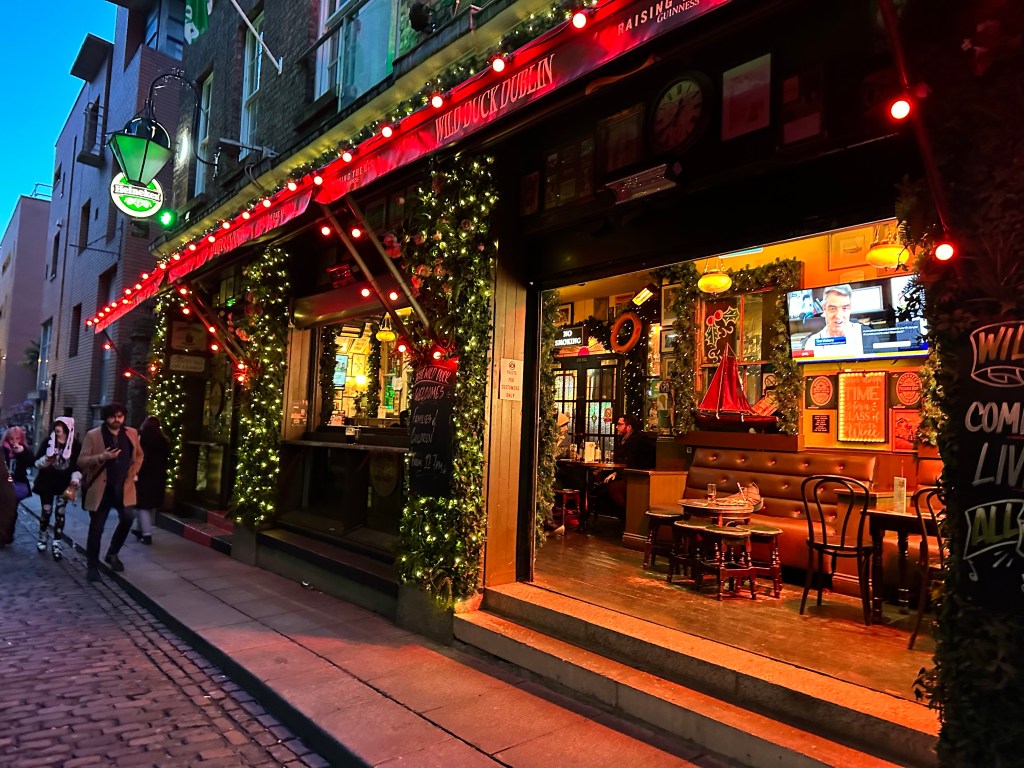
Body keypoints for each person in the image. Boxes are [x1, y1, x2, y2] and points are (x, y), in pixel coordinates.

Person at [78, 403, 144, 582]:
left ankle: (112, 552)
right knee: (96, 528)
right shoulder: (94, 435)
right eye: (113, 416)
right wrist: (102, 457)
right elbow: (81, 461)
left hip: (123, 487)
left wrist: (134, 471)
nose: (117, 420)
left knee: (128, 518)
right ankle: (92, 566)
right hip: (101, 489)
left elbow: (139, 454)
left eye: (120, 416)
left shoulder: (131, 433)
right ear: (105, 417)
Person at [32, 417, 81, 560]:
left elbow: (78, 465)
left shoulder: (74, 445)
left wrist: (75, 478)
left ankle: (57, 542)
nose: (58, 428)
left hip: (65, 484)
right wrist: (46, 460)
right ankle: (42, 536)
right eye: (56, 425)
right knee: (46, 511)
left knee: (60, 512)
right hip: (47, 482)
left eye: (61, 426)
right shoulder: (48, 442)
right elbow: (36, 462)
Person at [599, 414, 656, 519]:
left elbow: (636, 463)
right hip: (626, 474)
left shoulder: (640, 440)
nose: (616, 427)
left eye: (619, 424)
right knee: (602, 482)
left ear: (628, 427)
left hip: (638, 478)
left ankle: (628, 517)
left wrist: (617, 473)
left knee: (614, 487)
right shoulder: (624, 439)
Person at [132, 416, 169, 546]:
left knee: (142, 505)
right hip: (158, 477)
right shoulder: (163, 441)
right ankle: (140, 529)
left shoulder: (141, 437)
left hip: (144, 476)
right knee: (148, 506)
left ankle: (146, 534)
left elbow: (138, 456)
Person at [802, 284, 864, 358]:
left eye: (844, 308)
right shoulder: (812, 344)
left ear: (850, 308)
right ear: (824, 309)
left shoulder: (864, 335)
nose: (838, 315)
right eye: (832, 309)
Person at [3, 426, 36, 504]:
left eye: (17, 438)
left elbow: (32, 462)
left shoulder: (24, 449)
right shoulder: (3, 450)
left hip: (18, 482)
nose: (14, 441)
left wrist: (23, 452)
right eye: (11, 439)